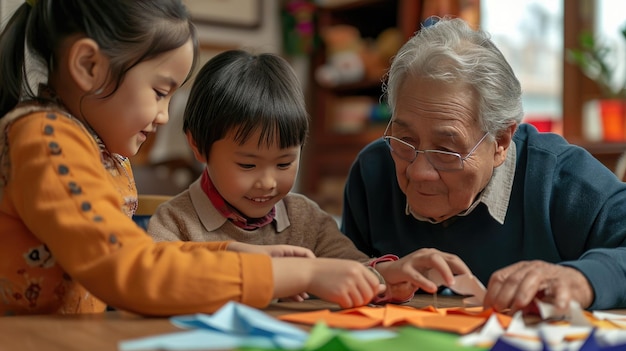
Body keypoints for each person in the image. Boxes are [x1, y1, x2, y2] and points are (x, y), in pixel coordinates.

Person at [0, 0, 387, 317]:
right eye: (159, 91)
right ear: (88, 66)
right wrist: (292, 274)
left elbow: (139, 256)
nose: (165, 115)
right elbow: (128, 269)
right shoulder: (48, 139)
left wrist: (228, 250)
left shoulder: (96, 149)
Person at [341, 16, 626, 313]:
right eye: (405, 140)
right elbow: (338, 276)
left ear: (501, 141)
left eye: (445, 150)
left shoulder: (562, 180)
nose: (418, 171)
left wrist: (582, 280)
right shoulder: (372, 172)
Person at [148, 49, 472, 304]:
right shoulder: (176, 222)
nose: (268, 182)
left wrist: (389, 274)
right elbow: (156, 282)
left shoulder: (306, 219)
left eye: (284, 163)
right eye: (247, 165)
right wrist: (285, 276)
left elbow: (351, 266)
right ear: (198, 146)